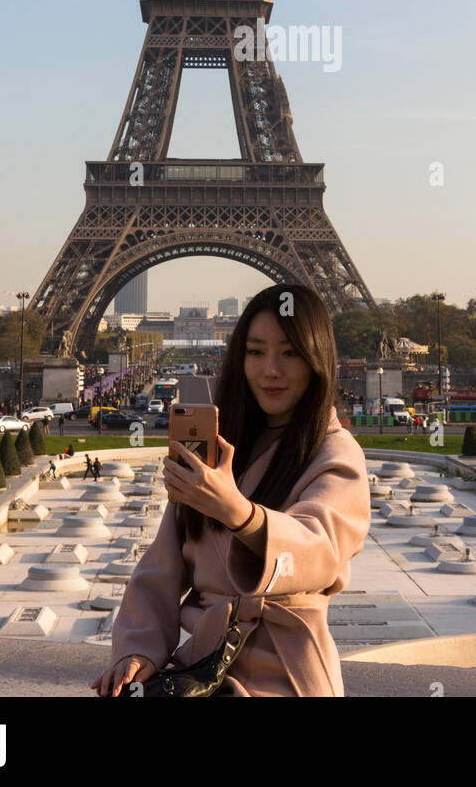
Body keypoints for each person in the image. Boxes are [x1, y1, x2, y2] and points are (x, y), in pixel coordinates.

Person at [93, 283, 372, 699]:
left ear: (317, 359)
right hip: (205, 666)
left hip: (285, 675)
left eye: (289, 352)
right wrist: (140, 649)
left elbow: (323, 554)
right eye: (256, 352)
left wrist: (239, 514)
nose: (270, 369)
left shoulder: (336, 451)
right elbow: (162, 565)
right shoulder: (221, 450)